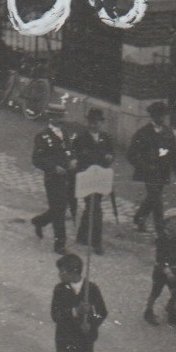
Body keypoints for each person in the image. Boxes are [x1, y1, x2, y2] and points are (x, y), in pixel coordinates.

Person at [29, 103, 79, 253]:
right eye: (56, 116)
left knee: (62, 207)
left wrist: (74, 160)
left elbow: (71, 150)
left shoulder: (65, 132)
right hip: (53, 178)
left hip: (69, 176)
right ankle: (60, 244)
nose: (60, 119)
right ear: (50, 117)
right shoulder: (43, 136)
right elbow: (37, 159)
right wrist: (53, 167)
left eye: (61, 116)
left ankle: (39, 221)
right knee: (59, 210)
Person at [128, 101, 176, 231]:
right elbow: (131, 154)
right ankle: (160, 229)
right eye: (157, 115)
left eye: (162, 115)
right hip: (149, 171)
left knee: (153, 197)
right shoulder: (143, 133)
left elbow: (175, 153)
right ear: (152, 116)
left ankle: (139, 218)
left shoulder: (168, 132)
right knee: (156, 198)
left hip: (163, 171)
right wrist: (144, 166)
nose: (160, 118)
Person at [74, 107, 115, 255]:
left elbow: (111, 153)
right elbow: (75, 156)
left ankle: (81, 236)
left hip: (100, 179)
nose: (94, 125)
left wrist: (110, 157)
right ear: (87, 122)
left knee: (91, 207)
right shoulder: (80, 139)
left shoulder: (106, 138)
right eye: (91, 122)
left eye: (97, 122)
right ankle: (97, 242)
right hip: (86, 179)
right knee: (96, 210)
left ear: (101, 123)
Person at [143, 207, 176, 325]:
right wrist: (167, 270)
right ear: (168, 223)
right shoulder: (162, 238)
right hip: (161, 271)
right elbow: (160, 257)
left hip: (174, 270)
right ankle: (148, 310)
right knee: (156, 292)